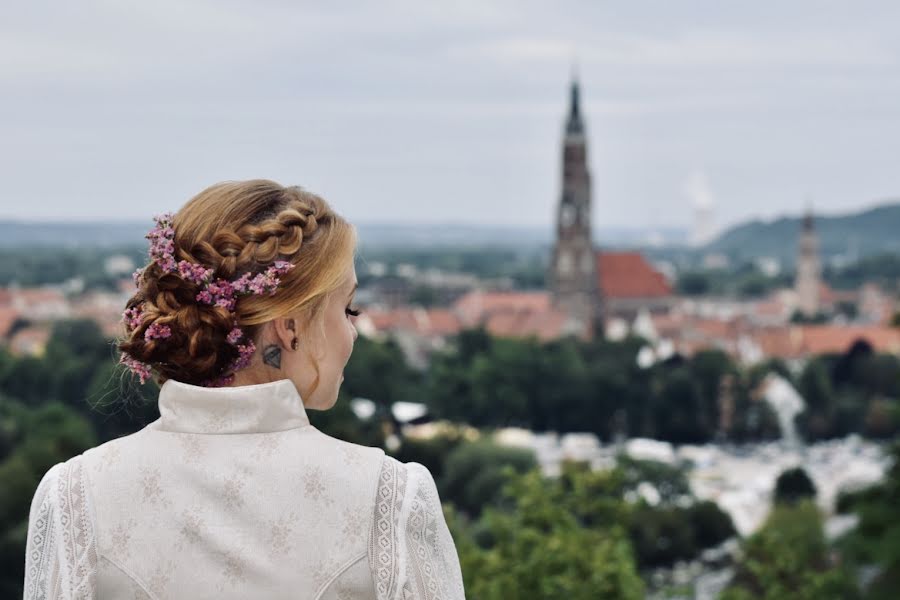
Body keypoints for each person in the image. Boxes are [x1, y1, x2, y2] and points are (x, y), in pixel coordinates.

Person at [22, 180, 465, 599]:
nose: (355, 331)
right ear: (289, 325)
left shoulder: (75, 496)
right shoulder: (389, 500)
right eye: (348, 308)